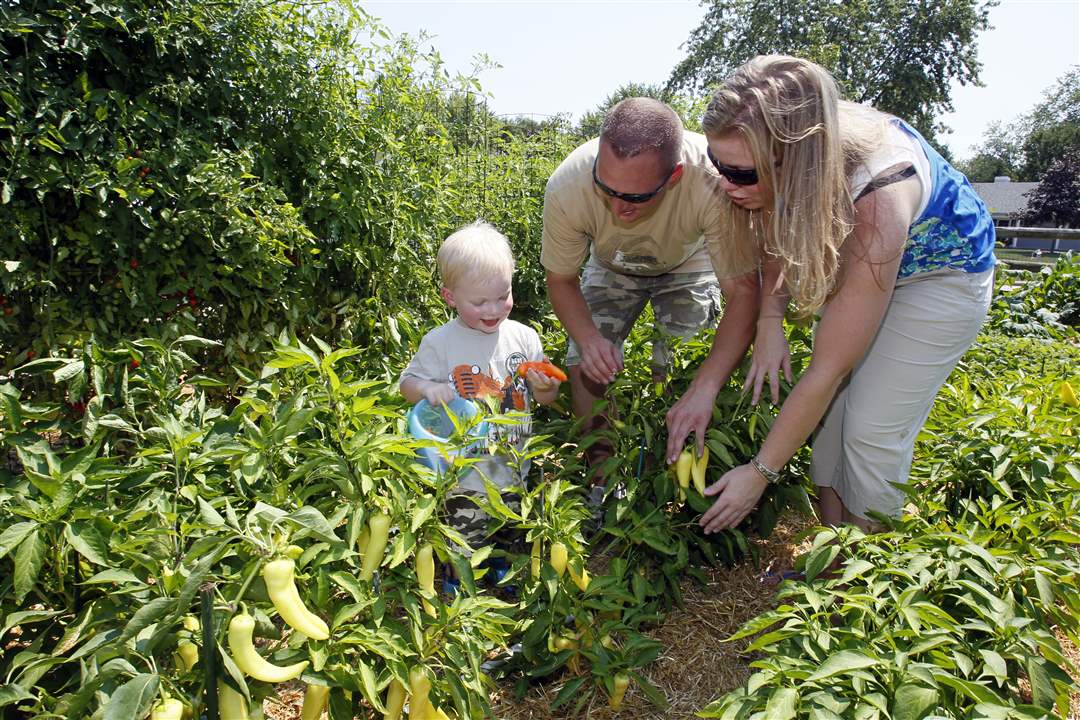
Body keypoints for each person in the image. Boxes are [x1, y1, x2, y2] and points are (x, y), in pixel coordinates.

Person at [677, 55, 995, 533]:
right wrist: (769, 322)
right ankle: (833, 562)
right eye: (720, 164)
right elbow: (779, 229)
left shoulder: (880, 191)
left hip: (939, 277)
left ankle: (872, 581)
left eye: (743, 174)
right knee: (828, 429)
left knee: (870, 433)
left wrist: (760, 473)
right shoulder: (794, 158)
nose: (726, 184)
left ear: (798, 162)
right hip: (863, 265)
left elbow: (831, 366)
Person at [541, 97, 761, 493]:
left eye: (637, 197)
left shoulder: (712, 181)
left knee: (679, 366)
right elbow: (561, 280)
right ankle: (601, 481)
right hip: (611, 264)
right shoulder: (568, 185)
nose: (619, 207)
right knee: (584, 362)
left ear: (674, 176)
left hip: (688, 263)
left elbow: (744, 295)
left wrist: (705, 387)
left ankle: (665, 482)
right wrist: (590, 341)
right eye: (607, 189)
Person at [400, 221, 562, 569]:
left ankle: (505, 580)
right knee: (464, 540)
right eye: (479, 301)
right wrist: (428, 388)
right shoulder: (440, 342)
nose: (493, 310)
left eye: (502, 296)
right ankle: (461, 584)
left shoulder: (523, 337)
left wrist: (548, 388)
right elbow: (407, 384)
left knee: (510, 538)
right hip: (463, 474)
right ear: (450, 297)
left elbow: (546, 397)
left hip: (515, 470)